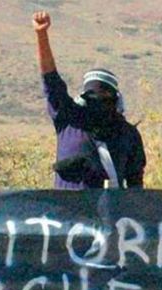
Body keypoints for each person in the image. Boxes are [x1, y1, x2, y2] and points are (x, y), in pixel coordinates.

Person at [33, 11, 146, 190]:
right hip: (68, 216)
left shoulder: (128, 135)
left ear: (115, 101)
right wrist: (41, 35)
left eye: (105, 98)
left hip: (109, 217)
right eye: (93, 97)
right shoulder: (69, 118)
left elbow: (135, 187)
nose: (99, 103)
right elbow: (50, 79)